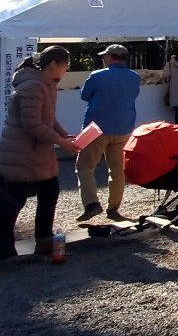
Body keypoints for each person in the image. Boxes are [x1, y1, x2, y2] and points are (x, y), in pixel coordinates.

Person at [0, 47, 78, 259]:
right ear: (54, 64)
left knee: (50, 192)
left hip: (38, 154)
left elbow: (49, 118)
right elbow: (32, 125)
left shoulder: (47, 85)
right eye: (66, 65)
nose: (66, 70)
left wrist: (65, 135)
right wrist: (60, 141)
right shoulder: (33, 86)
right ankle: (5, 249)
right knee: (13, 202)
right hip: (21, 154)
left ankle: (44, 241)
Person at [75, 43, 140, 223]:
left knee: (85, 167)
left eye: (105, 56)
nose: (104, 59)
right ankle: (114, 208)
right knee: (117, 169)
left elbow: (84, 95)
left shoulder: (97, 76)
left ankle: (91, 204)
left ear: (111, 57)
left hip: (96, 129)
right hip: (123, 128)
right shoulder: (134, 77)